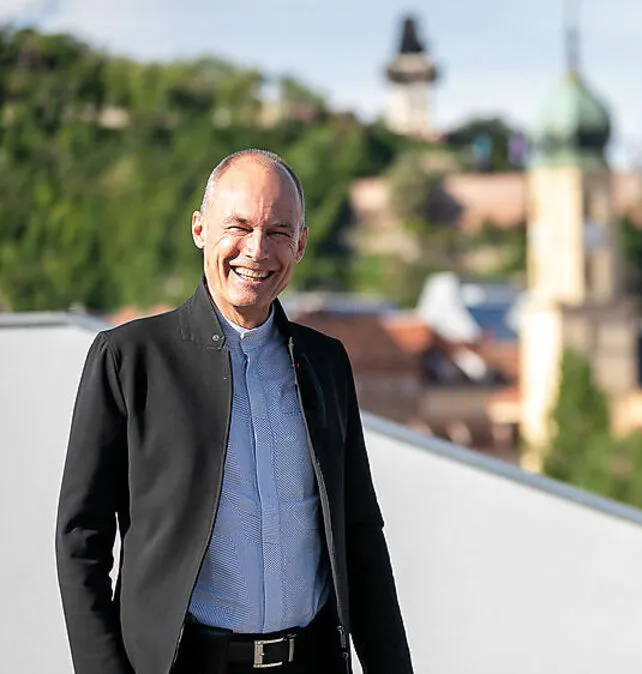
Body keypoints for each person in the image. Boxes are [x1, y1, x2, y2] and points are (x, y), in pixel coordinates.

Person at [56, 149, 415, 674]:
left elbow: (359, 534)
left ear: (301, 244)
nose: (256, 250)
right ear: (200, 229)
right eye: (239, 227)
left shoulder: (325, 363)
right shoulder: (128, 359)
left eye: (278, 232)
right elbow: (80, 541)